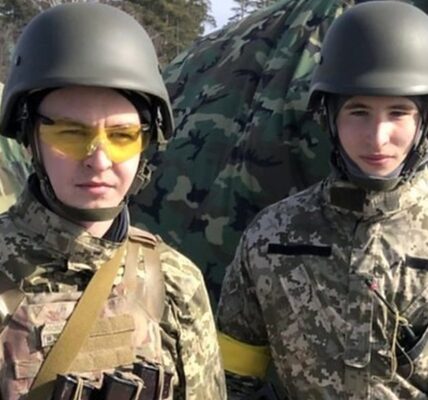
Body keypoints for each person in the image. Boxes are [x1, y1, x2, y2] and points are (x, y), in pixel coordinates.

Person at [0, 3, 226, 400]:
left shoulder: (174, 281)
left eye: (122, 136)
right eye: (71, 134)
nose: (99, 161)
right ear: (29, 139)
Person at [216, 1, 428, 399]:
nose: (378, 137)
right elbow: (231, 380)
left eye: (398, 113)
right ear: (328, 116)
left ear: (423, 121)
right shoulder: (272, 236)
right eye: (358, 112)